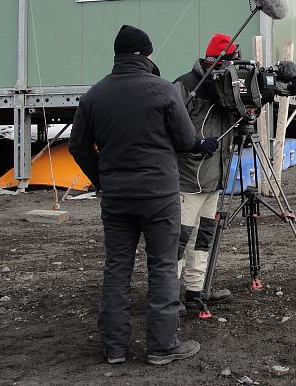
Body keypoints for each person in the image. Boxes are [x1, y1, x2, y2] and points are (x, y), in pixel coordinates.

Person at [69, 25, 216, 366]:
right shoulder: (163, 90)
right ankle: (162, 346)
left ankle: (114, 348)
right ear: (147, 54)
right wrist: (199, 142)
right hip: (159, 196)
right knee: (163, 266)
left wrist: (102, 179)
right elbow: (184, 140)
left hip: (117, 197)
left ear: (117, 55)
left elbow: (78, 147)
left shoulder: (94, 95)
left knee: (117, 268)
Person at [174, 33, 239, 312]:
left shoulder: (228, 88)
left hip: (214, 179)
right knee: (177, 240)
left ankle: (195, 291)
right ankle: (165, 297)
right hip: (187, 180)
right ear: (216, 60)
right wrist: (195, 144)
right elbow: (168, 127)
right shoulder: (187, 86)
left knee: (203, 237)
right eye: (231, 60)